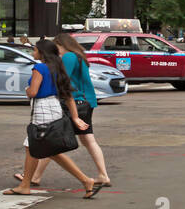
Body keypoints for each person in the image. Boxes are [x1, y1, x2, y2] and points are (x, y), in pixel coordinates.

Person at [11, 33, 111, 193]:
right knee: (79, 142)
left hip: (66, 104)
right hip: (82, 101)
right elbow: (65, 84)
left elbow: (46, 87)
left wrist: (32, 89)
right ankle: (99, 176)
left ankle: (32, 179)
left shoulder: (63, 60)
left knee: (49, 144)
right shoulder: (78, 56)